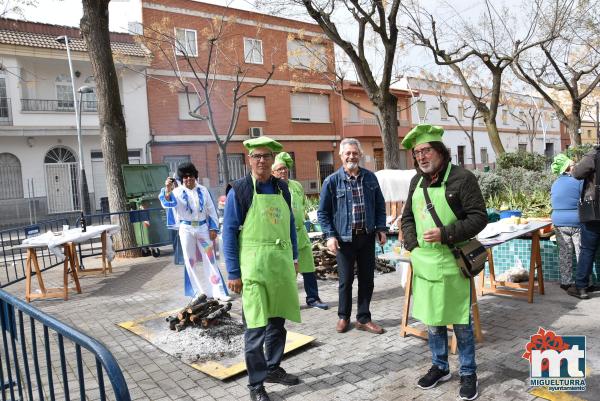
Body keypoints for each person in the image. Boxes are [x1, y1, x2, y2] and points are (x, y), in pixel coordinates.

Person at [400, 124, 487, 401]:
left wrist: (445, 233)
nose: (421, 157)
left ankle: (468, 372)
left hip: (452, 261)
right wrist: (413, 245)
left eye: (426, 151)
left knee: (460, 321)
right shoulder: (416, 181)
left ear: (440, 151)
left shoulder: (463, 178)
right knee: (432, 320)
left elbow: (478, 217)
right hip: (424, 262)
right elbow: (407, 218)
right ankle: (440, 366)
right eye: (417, 153)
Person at [222, 137, 301, 401]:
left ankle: (273, 368)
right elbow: (229, 233)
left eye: (266, 156)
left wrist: (294, 257)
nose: (261, 161)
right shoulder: (240, 190)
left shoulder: (282, 189)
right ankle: (256, 385)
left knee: (278, 322)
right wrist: (233, 272)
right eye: (256, 156)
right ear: (249, 159)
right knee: (255, 328)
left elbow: (289, 223)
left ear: (273, 159)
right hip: (253, 268)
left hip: (279, 265)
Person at [317, 137, 387, 335]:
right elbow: (323, 213)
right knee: (345, 281)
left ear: (360, 155)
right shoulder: (332, 181)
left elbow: (380, 205)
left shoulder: (370, 178)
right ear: (341, 156)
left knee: (367, 279)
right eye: (347, 153)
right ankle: (343, 317)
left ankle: (363, 318)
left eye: (355, 153)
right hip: (344, 240)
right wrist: (330, 235)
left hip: (366, 237)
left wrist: (381, 229)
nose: (351, 156)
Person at [161, 162, 230, 301]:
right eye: (185, 177)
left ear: (195, 176)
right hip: (186, 229)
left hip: (203, 228)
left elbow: (211, 210)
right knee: (190, 260)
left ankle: (218, 291)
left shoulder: (203, 190)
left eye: (191, 176)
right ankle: (197, 293)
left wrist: (213, 228)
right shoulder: (177, 192)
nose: (188, 179)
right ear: (181, 179)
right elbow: (168, 203)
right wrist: (167, 189)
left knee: (210, 258)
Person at [272, 152, 329, 310]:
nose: (283, 171)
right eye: (279, 169)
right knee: (287, 272)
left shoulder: (296, 185)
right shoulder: (272, 187)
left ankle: (313, 298)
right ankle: (287, 302)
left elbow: (303, 204)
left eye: (285, 168)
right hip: (284, 236)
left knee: (308, 268)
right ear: (273, 172)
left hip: (301, 234)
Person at [550, 154, 583, 293]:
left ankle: (566, 282)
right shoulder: (579, 181)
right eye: (573, 164)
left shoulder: (555, 183)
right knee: (581, 253)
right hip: (577, 221)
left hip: (558, 221)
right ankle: (584, 282)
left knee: (565, 253)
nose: (575, 166)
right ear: (569, 168)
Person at [570, 148, 600, 299]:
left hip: (595, 212)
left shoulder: (594, 154)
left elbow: (576, 173)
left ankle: (581, 287)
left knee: (587, 249)